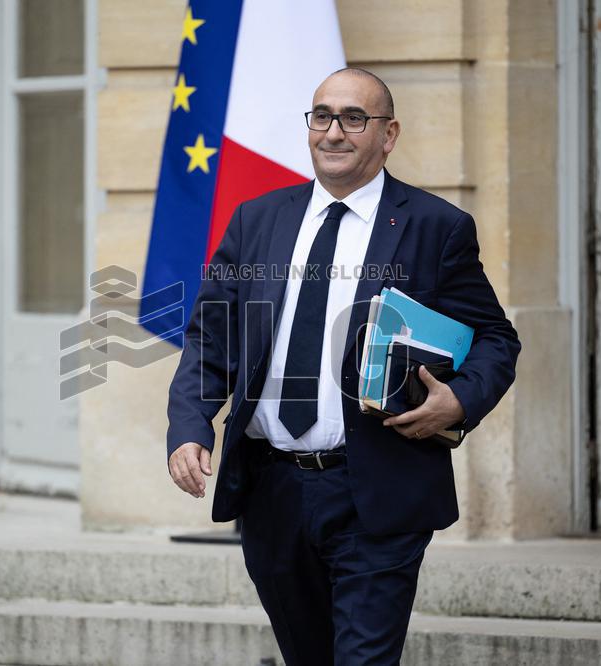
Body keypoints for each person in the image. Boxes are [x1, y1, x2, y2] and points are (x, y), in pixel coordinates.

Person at [165, 67, 521, 665]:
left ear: (388, 135)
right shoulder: (258, 219)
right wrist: (190, 425)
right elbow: (211, 335)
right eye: (322, 116)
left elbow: (494, 337)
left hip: (378, 488)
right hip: (272, 490)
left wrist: (459, 401)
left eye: (354, 118)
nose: (334, 132)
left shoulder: (436, 227)